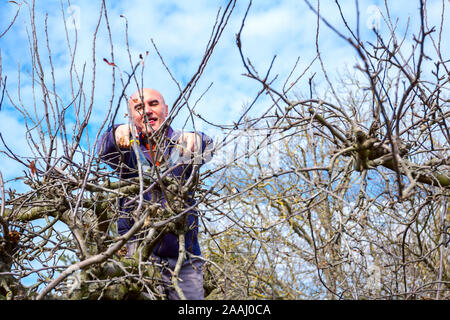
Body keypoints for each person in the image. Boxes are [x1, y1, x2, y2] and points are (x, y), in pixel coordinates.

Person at [97, 88, 213, 299]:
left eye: (153, 104)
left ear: (165, 110)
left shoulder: (180, 142)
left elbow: (208, 148)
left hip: (185, 258)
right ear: (132, 116)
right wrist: (117, 131)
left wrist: (196, 137)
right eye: (139, 107)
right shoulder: (128, 147)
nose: (147, 111)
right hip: (139, 255)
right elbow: (104, 148)